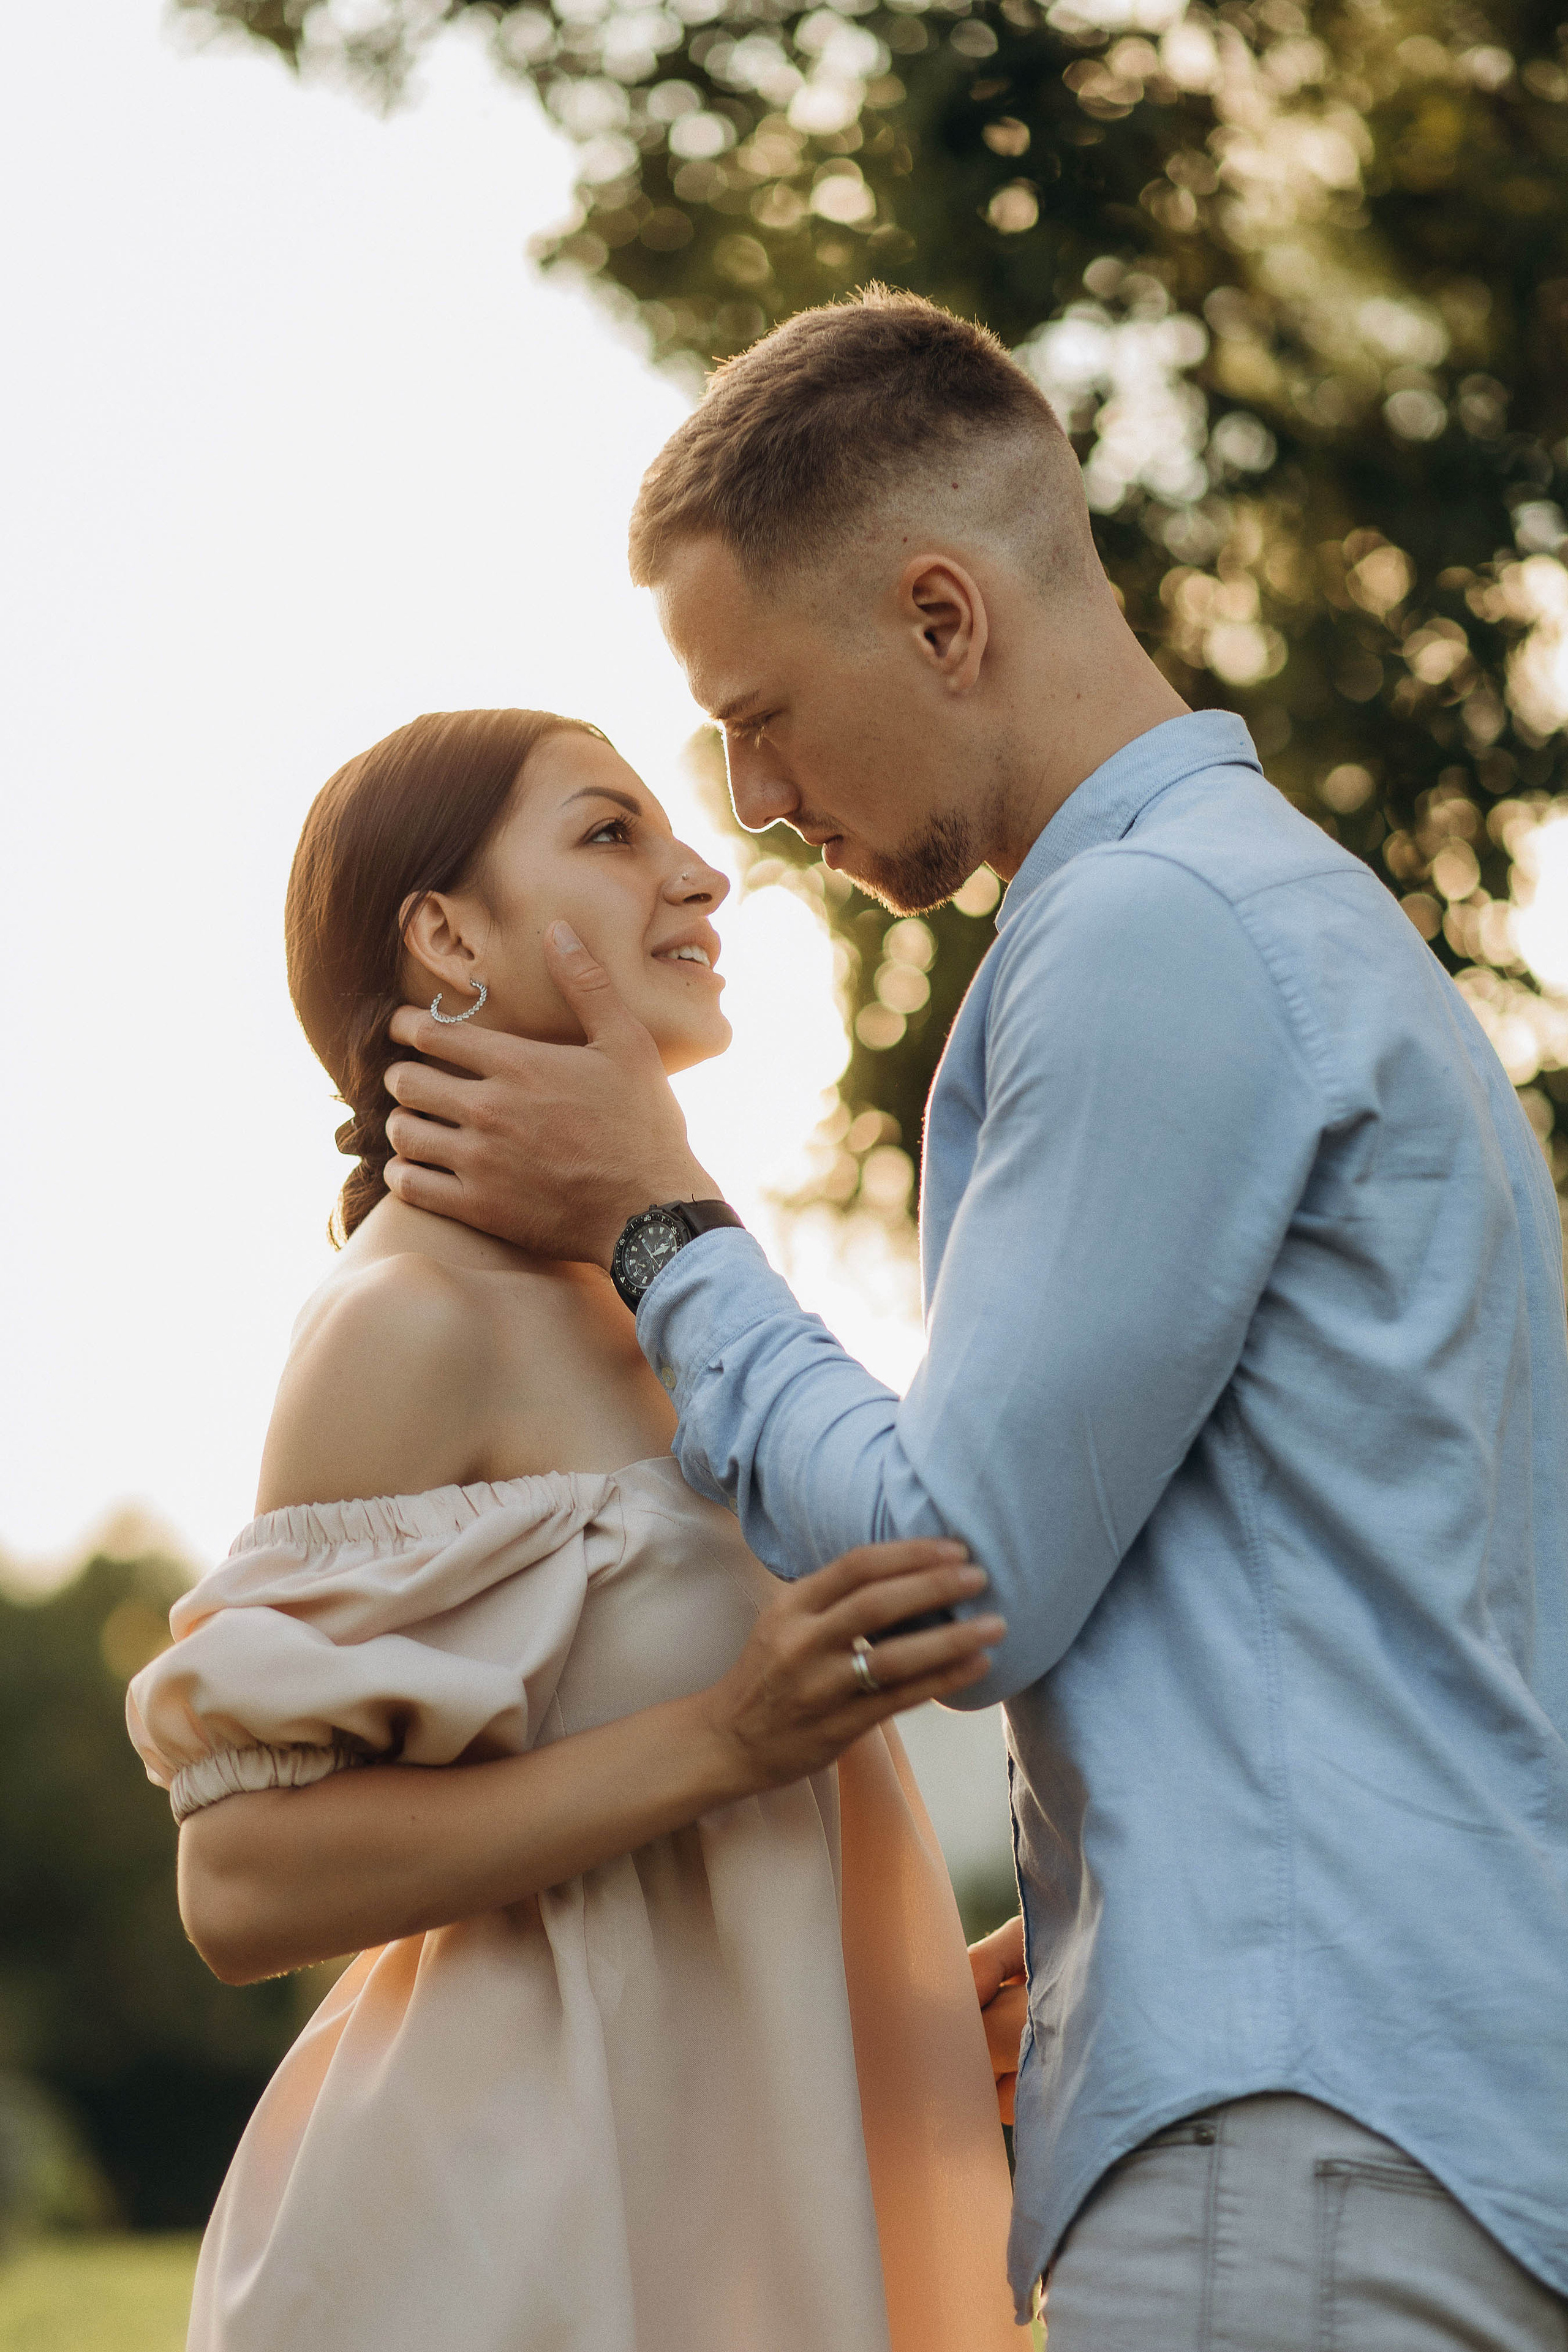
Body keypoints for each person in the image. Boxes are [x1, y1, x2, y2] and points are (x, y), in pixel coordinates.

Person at [375, 295, 1568, 2349]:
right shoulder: (1291, 917)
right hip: (1379, 2100)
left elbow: (958, 1579)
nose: (744, 800)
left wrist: (658, 1221)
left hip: (1291, 2147)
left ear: (943, 619)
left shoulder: (1145, 934)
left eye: (755, 712)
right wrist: (1105, 1930)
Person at [126, 706, 1019, 2352]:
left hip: (710, 2227)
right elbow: (240, 1879)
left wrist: (874, 2006)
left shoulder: (663, 1298)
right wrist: (725, 1740)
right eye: (613, 835)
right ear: (445, 934)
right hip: (501, 2256)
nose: (702, 876)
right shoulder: (406, 1318)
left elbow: (680, 1841)